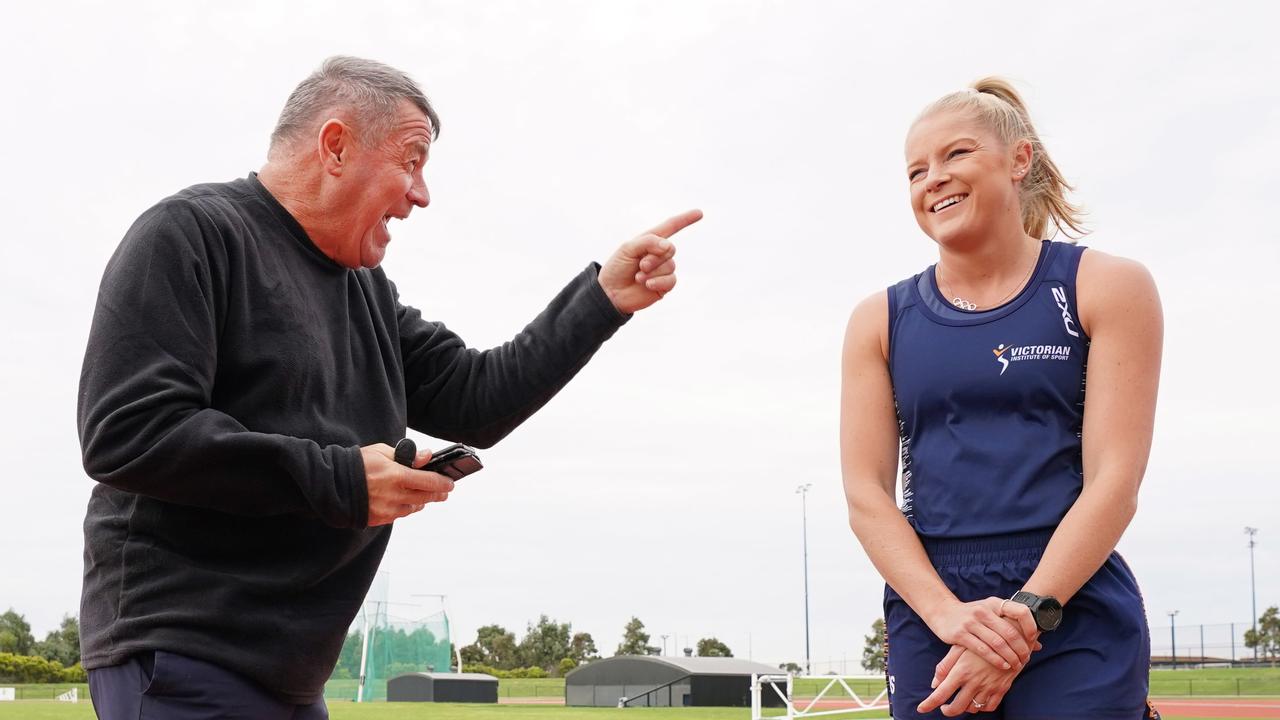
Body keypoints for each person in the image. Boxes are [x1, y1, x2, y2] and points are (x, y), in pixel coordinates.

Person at [77, 56, 701, 720]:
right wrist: (342, 479)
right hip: (181, 656)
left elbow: (475, 398)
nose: (422, 193)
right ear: (337, 145)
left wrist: (602, 300)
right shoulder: (191, 235)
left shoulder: (365, 292)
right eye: (411, 161)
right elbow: (128, 432)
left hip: (287, 681)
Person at [840, 78, 1162, 718]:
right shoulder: (878, 320)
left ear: (1020, 160)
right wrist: (948, 616)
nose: (933, 178)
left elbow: (1114, 481)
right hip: (935, 606)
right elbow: (866, 495)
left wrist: (1025, 617)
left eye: (956, 154)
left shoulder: (1106, 287)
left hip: (1068, 595)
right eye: (915, 170)